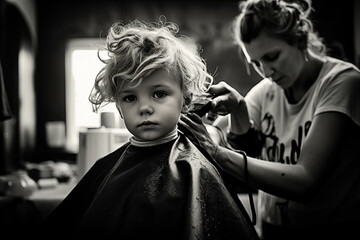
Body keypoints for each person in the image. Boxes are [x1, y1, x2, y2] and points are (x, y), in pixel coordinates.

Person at [39, 18, 259, 240]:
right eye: (130, 97)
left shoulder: (195, 169)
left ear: (186, 99)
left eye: (159, 94)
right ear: (119, 107)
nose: (144, 108)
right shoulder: (105, 168)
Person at [180, 0, 360, 239]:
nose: (266, 71)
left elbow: (306, 181)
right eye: (255, 63)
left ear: (300, 40)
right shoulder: (267, 89)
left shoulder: (342, 82)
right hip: (272, 229)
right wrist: (237, 111)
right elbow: (224, 137)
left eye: (272, 56)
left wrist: (216, 152)